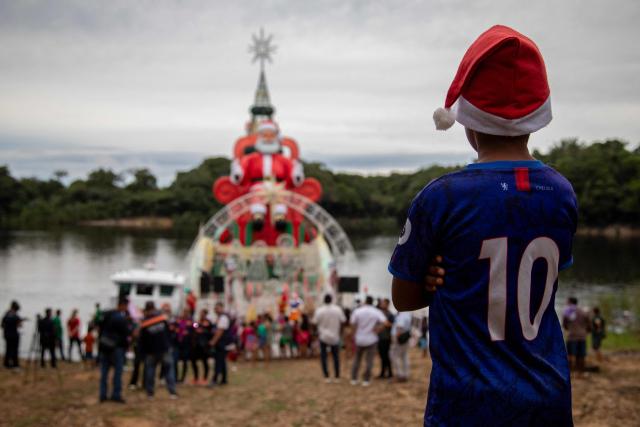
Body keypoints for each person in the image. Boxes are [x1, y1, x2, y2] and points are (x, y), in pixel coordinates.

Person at [389, 25, 578, 425]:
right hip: (549, 397)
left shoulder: (442, 196)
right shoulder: (562, 192)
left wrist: (440, 274)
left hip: (466, 403)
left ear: (468, 121)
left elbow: (404, 298)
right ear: (536, 117)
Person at [139, 301, 177, 399]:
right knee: (168, 370)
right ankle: (172, 393)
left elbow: (142, 340)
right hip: (165, 348)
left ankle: (150, 394)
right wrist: (170, 345)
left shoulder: (144, 322)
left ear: (146, 309)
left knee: (150, 372)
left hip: (151, 351)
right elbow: (169, 333)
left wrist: (143, 352)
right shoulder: (162, 318)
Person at [350, 296, 387, 386]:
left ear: (365, 301)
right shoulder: (376, 312)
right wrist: (378, 329)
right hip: (371, 339)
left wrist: (354, 334)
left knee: (357, 359)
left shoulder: (358, 311)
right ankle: (366, 380)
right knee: (369, 361)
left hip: (359, 338)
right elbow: (385, 323)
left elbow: (352, 323)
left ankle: (354, 379)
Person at [98, 298, 130, 403]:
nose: (126, 308)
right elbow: (125, 334)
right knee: (117, 372)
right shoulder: (120, 318)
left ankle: (102, 395)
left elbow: (99, 328)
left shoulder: (106, 315)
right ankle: (116, 395)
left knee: (104, 372)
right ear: (122, 305)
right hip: (117, 348)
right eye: (126, 306)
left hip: (104, 346)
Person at [312, 294, 346, 383]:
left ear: (324, 300)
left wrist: (316, 333)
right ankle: (337, 376)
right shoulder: (337, 309)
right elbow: (343, 321)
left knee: (324, 357)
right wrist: (340, 332)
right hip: (335, 336)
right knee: (336, 357)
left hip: (323, 336)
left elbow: (314, 322)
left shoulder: (319, 310)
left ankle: (326, 376)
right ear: (331, 300)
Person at [562, 297, 590, 372]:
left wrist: (568, 329)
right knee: (581, 354)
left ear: (570, 302)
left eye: (567, 302)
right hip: (582, 336)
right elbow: (589, 323)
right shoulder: (583, 311)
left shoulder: (567, 311)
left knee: (570, 353)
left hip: (572, 336)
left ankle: (570, 369)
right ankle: (581, 369)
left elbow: (564, 324)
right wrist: (586, 331)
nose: (566, 303)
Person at [209, 302, 231, 386]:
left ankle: (215, 380)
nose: (216, 310)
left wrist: (213, 341)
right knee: (221, 361)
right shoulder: (218, 318)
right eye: (215, 308)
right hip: (220, 343)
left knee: (218, 361)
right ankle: (224, 379)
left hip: (221, 343)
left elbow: (220, 331)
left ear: (222, 308)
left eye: (217, 308)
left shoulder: (223, 318)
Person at [191, 309, 213, 385]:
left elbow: (210, 331)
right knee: (193, 361)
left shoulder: (208, 322)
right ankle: (196, 378)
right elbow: (193, 327)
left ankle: (205, 378)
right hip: (196, 346)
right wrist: (196, 325)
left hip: (204, 346)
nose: (201, 315)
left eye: (203, 313)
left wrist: (203, 330)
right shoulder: (198, 322)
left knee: (205, 362)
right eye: (201, 313)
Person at [390, 311, 413, 382]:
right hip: (405, 337)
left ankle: (400, 374)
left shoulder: (402, 315)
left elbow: (399, 327)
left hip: (400, 338)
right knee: (404, 356)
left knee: (394, 356)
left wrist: (396, 339)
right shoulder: (408, 314)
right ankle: (405, 374)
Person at [2, 300, 23, 369]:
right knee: (15, 350)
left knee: (8, 349)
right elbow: (19, 325)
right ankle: (15, 364)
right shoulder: (16, 316)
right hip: (14, 335)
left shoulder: (6, 314)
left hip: (7, 334)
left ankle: (6, 364)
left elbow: (2, 325)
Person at [377, 298, 394, 379]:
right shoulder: (379, 313)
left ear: (387, 304)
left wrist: (385, 325)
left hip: (386, 338)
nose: (381, 304)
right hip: (380, 337)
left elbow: (392, 325)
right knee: (382, 356)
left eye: (383, 303)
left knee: (385, 356)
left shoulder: (390, 314)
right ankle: (383, 373)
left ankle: (389, 373)